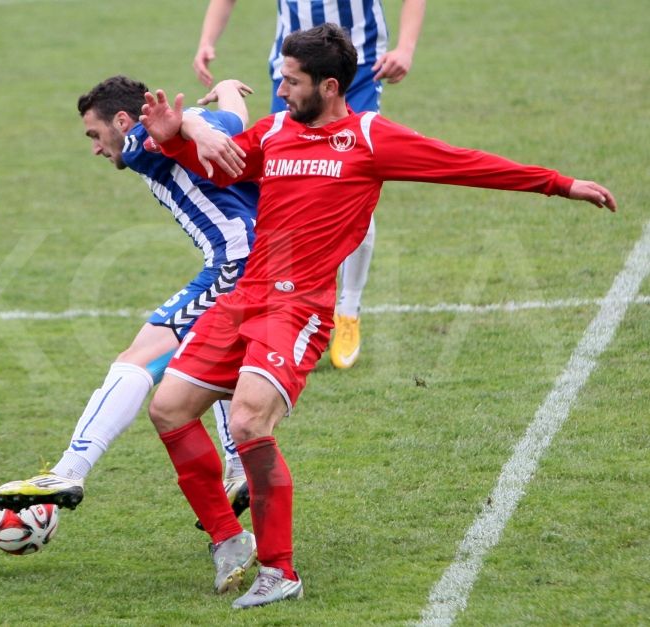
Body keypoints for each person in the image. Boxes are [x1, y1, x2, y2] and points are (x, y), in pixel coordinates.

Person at [140, 23, 616, 609]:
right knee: (167, 409)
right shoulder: (277, 130)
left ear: (330, 86)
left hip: (298, 308)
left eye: (291, 82)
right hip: (245, 297)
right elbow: (226, 169)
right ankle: (227, 538)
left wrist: (558, 185)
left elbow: (462, 163)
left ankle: (280, 570)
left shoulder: (369, 138)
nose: (280, 91)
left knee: (246, 424)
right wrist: (175, 141)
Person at [0, 77, 260, 574]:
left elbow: (167, 131)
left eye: (95, 135)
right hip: (262, 263)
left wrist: (190, 124)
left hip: (235, 267)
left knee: (136, 359)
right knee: (211, 366)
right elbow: (235, 118)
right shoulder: (211, 125)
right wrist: (224, 89)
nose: (96, 148)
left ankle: (70, 470)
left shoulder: (138, 142)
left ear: (121, 121)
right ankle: (238, 474)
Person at [193, 0, 427, 369]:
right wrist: (207, 39)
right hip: (292, 68)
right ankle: (279, 305)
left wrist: (406, 48)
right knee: (280, 185)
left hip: (360, 66)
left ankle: (348, 310)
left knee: (351, 178)